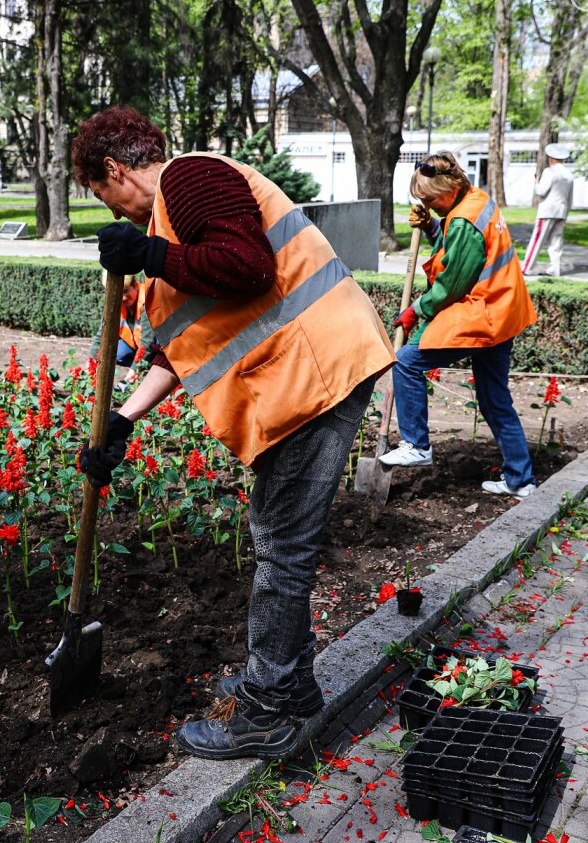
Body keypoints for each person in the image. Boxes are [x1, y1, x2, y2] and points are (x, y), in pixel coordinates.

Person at [72, 106, 395, 761]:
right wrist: (121, 424)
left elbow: (247, 265)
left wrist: (151, 253)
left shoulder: (187, 180)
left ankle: (268, 709)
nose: (115, 213)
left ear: (114, 169)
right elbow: (182, 346)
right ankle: (290, 682)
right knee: (276, 538)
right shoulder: (173, 218)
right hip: (304, 380)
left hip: (316, 374)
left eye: (105, 198)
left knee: (282, 551)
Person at [377, 151, 539, 499]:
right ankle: (520, 479)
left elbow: (452, 284)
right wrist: (433, 227)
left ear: (449, 189)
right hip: (503, 309)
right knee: (495, 399)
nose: (430, 206)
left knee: (406, 362)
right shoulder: (476, 200)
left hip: (483, 312)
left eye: (431, 200)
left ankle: (416, 445)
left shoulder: (464, 219)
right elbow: (461, 249)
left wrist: (416, 308)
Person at [523, 143, 574, 277]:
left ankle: (527, 268)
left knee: (537, 240)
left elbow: (541, 190)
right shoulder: (569, 175)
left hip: (547, 211)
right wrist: (566, 213)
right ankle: (554, 270)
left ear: (551, 158)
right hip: (561, 211)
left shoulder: (549, 172)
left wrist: (536, 182)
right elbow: (570, 197)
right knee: (556, 242)